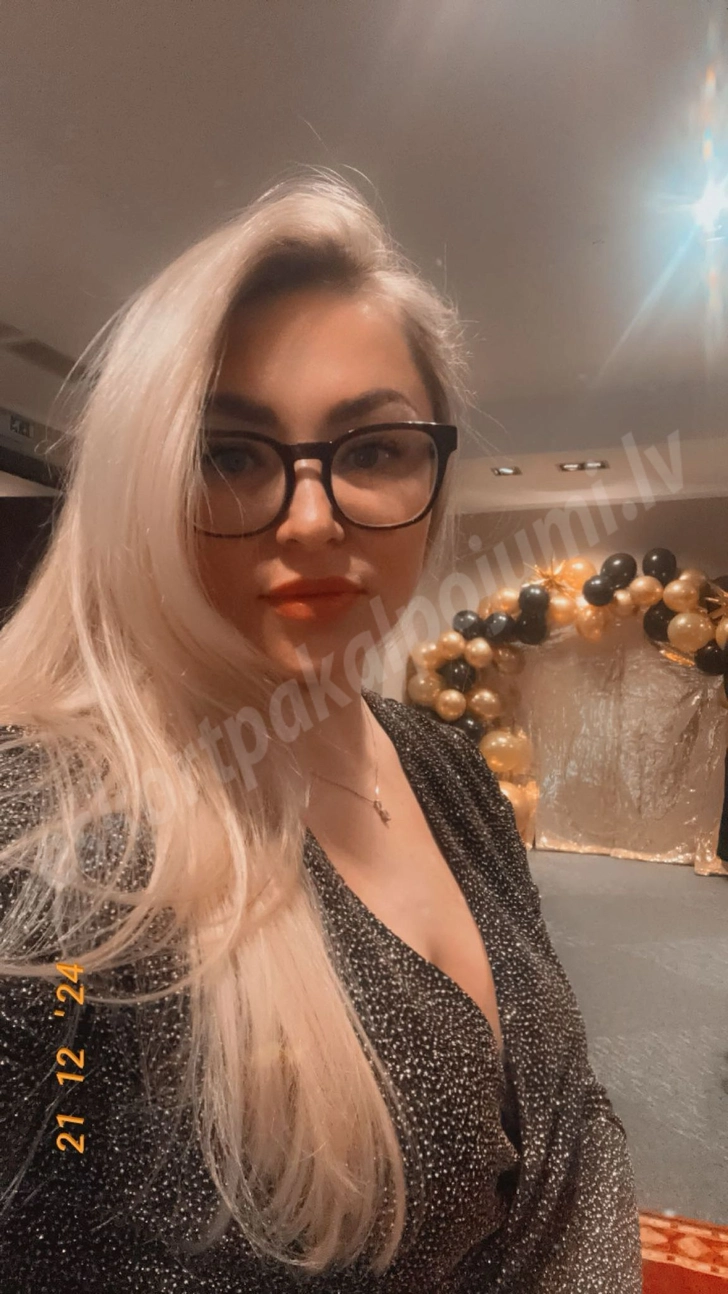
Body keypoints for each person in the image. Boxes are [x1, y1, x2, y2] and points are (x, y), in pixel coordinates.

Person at [0, 174, 642, 1292]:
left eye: (374, 449)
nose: (310, 520)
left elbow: (566, 1118)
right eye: (230, 454)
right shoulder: (48, 835)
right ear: (142, 486)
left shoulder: (443, 767)